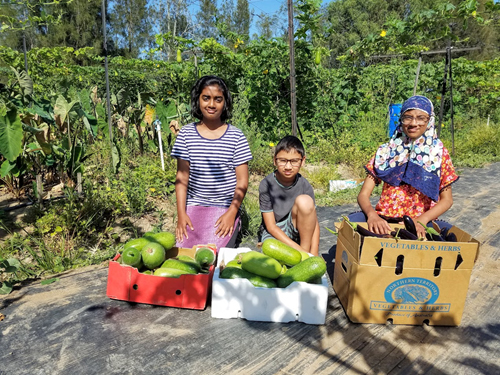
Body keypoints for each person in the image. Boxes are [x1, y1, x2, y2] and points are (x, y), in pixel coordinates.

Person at [351, 95, 459, 239]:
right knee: (350, 226)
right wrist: (372, 215)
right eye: (408, 117)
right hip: (385, 221)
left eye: (421, 118)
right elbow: (363, 194)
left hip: (421, 222)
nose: (413, 123)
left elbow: (447, 200)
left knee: (452, 239)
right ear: (401, 119)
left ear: (430, 120)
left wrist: (423, 219)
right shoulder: (385, 151)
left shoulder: (438, 154)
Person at [171, 75, 252, 249]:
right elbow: (181, 178)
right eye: (206, 98)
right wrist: (181, 214)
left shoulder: (236, 137)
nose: (212, 104)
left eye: (218, 99)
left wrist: (232, 212)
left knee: (212, 257)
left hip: (224, 207)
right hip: (194, 206)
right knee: (184, 255)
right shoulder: (186, 135)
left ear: (225, 103)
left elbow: (242, 181)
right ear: (197, 100)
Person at [258, 135, 320, 256]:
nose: (288, 167)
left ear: (303, 161)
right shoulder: (266, 184)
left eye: (294, 161)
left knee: (305, 201)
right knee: (271, 255)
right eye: (283, 160)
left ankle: (304, 253)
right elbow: (271, 227)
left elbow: (314, 223)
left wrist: (314, 254)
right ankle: (302, 254)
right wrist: (302, 253)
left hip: (296, 231)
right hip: (273, 232)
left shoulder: (304, 185)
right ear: (274, 160)